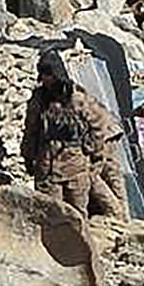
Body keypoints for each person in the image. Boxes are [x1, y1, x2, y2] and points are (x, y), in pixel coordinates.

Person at [21, 50, 126, 218]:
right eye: (43, 75)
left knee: (77, 216)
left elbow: (98, 126)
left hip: (75, 167)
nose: (47, 80)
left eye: (49, 74)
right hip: (47, 168)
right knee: (50, 215)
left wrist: (93, 155)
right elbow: (31, 129)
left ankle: (120, 219)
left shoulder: (77, 98)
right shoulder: (39, 99)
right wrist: (28, 155)